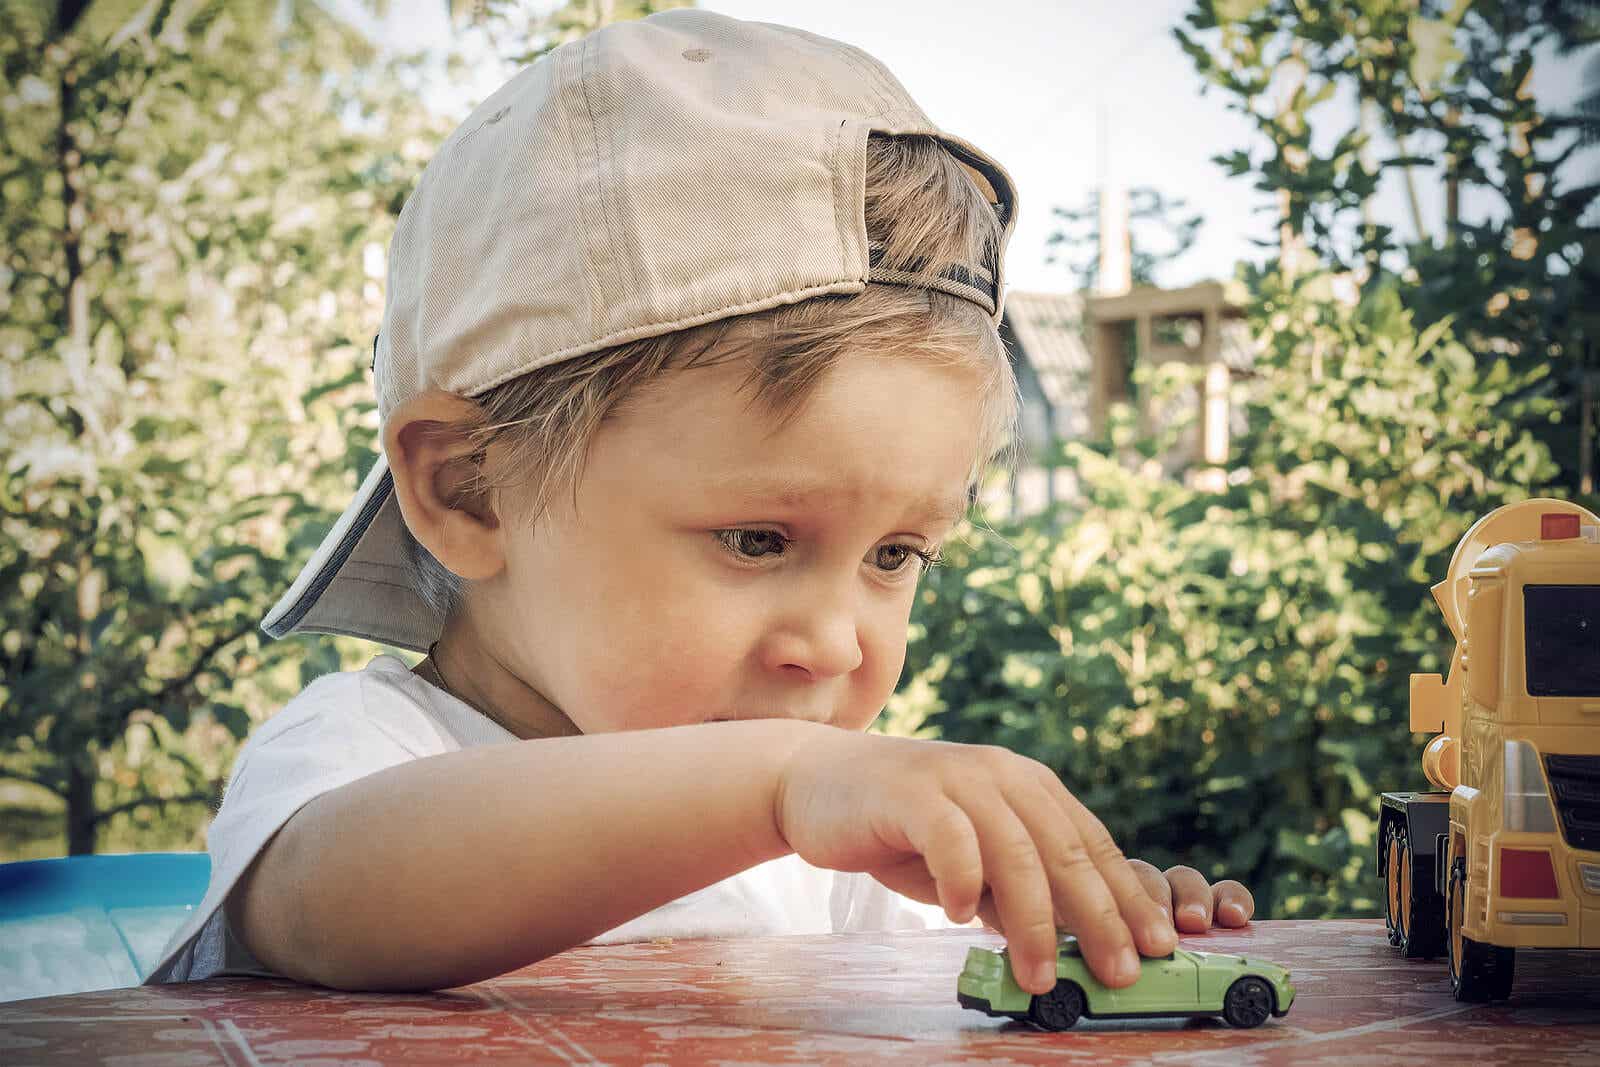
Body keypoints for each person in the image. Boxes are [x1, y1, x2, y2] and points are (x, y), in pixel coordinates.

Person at [143, 9, 1253, 997]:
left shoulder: (825, 857)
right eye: (757, 537)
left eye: (897, 552)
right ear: (468, 488)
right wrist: (778, 786)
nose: (831, 644)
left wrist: (1075, 922)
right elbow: (328, 900)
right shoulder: (371, 753)